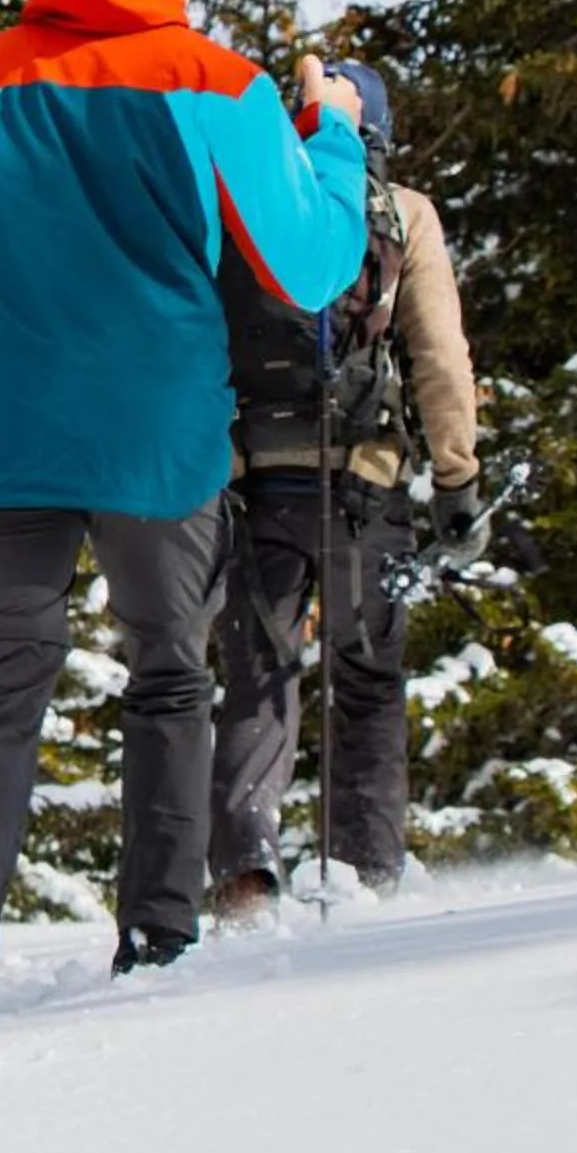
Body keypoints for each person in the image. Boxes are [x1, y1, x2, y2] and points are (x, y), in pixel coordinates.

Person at [0, 0, 371, 1053]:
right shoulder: (221, 80)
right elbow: (310, 266)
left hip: (5, 425)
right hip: (161, 427)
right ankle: (158, 935)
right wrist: (339, 138)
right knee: (168, 672)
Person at [207, 59, 481, 923]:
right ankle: (367, 870)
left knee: (258, 676)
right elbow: (437, 355)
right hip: (365, 483)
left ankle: (246, 874)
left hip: (257, 477)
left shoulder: (250, 205)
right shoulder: (406, 214)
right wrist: (457, 476)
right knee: (366, 679)